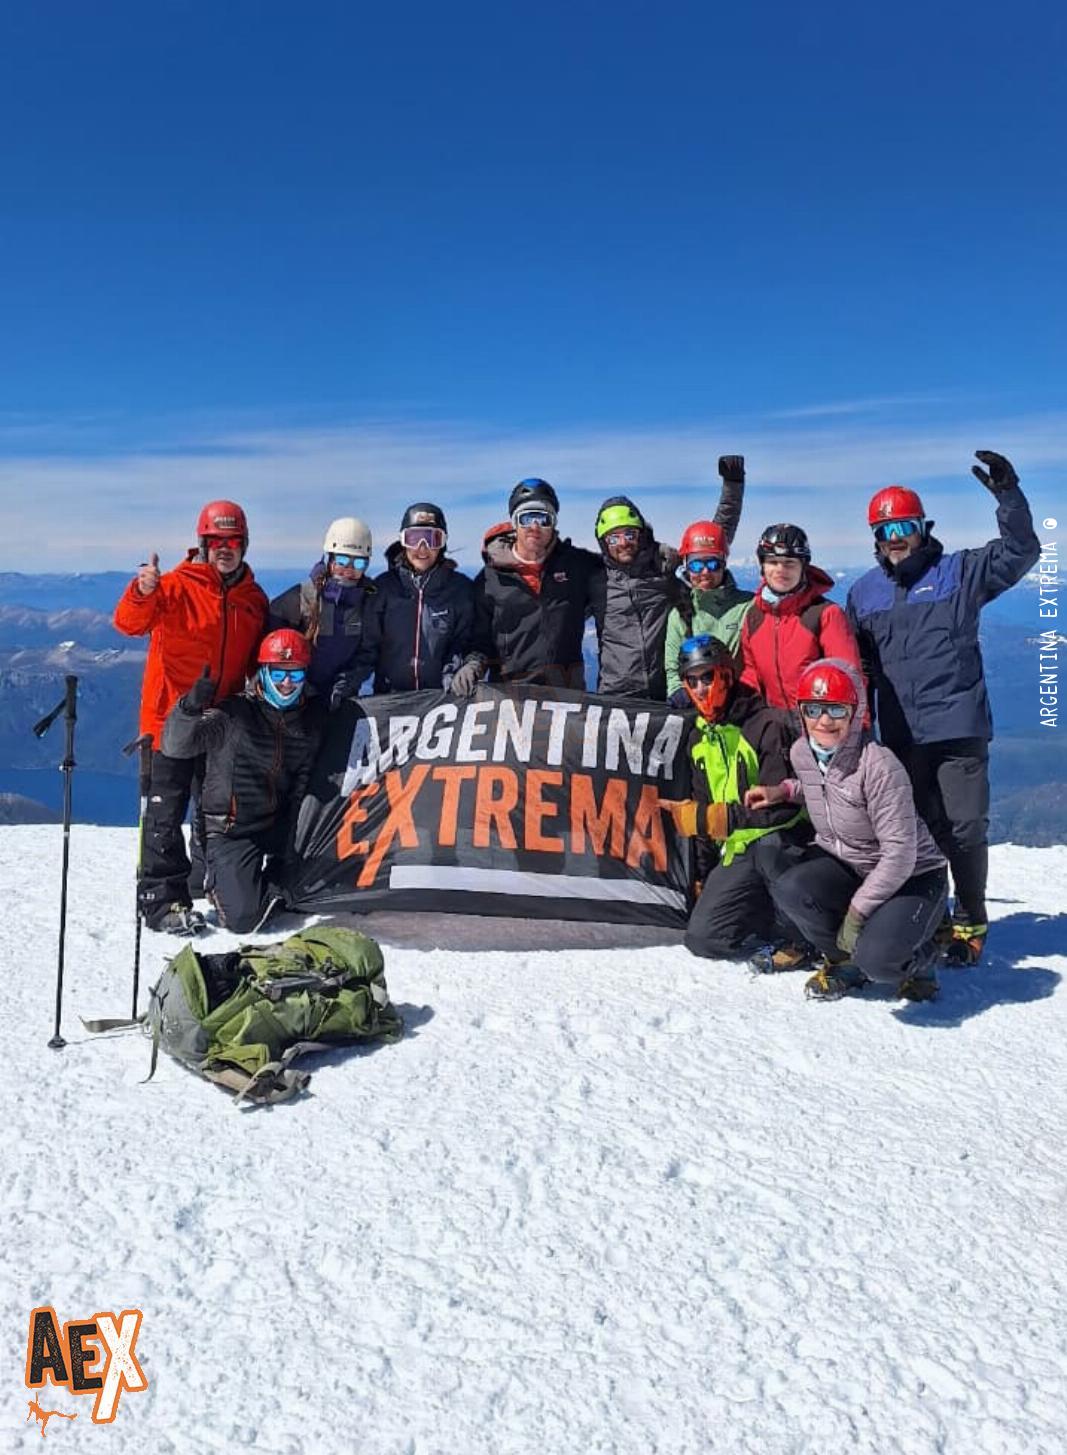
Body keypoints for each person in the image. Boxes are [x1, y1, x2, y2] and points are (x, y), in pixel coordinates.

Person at [846, 451, 1040, 965]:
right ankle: (931, 916)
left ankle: (971, 916)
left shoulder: (960, 572)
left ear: (924, 527)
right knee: (918, 830)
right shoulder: (864, 593)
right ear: (875, 535)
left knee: (965, 827)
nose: (896, 538)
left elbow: (1022, 550)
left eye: (905, 526)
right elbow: (858, 667)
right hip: (902, 735)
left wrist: (1008, 495)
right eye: (886, 529)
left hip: (958, 728)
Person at [746, 660, 948, 1001]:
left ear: (854, 714)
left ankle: (923, 957)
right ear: (802, 712)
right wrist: (783, 791)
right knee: (792, 889)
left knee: (879, 962)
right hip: (856, 866)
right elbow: (823, 787)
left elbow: (900, 855)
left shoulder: (879, 766)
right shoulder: (803, 753)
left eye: (836, 710)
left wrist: (857, 913)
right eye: (813, 709)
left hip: (914, 876)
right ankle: (847, 964)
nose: (824, 721)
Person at [113, 499, 268, 934]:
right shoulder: (177, 586)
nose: (225, 548)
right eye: (217, 540)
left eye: (234, 540)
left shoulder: (252, 598)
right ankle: (162, 902)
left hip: (219, 724)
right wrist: (141, 590)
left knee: (214, 807)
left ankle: (205, 884)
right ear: (202, 542)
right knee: (165, 811)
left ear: (245, 545)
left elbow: (255, 656)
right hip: (167, 720)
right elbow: (128, 623)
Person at [160, 629, 326, 934]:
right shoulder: (232, 714)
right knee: (243, 921)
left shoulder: (310, 718)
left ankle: (270, 879)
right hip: (231, 830)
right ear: (263, 671)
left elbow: (304, 780)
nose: (287, 683)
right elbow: (175, 746)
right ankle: (212, 867)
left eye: (295, 674)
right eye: (278, 673)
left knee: (324, 881)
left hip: (276, 825)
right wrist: (189, 708)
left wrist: (293, 841)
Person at [663, 634, 811, 962]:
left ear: (726, 675)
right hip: (739, 851)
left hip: (783, 843)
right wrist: (702, 874)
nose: (701, 688)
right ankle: (762, 911)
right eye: (693, 680)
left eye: (708, 676)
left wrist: (725, 819)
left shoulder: (766, 725)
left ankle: (801, 936)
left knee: (772, 849)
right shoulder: (700, 738)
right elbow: (703, 812)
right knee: (704, 940)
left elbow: (785, 809)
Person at [594, 454, 746, 699]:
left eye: (630, 534)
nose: (623, 543)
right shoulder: (595, 579)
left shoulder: (662, 568)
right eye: (614, 537)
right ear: (603, 543)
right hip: (616, 695)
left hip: (667, 690)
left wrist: (733, 487)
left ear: (641, 535)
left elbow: (711, 544)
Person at [461, 478, 603, 692]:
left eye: (543, 519)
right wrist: (474, 664)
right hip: (510, 699)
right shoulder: (490, 579)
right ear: (515, 523)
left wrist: (655, 555)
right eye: (527, 518)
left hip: (567, 698)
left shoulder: (578, 566)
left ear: (553, 524)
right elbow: (480, 638)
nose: (535, 527)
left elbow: (621, 567)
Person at [739, 523, 862, 708]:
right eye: (773, 562)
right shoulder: (755, 617)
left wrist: (855, 729)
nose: (780, 569)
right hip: (774, 725)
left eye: (790, 563)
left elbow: (849, 677)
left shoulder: (825, 614)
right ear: (762, 567)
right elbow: (751, 674)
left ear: (803, 567)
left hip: (820, 723)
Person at [270, 517, 381, 707]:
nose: (349, 569)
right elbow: (271, 653)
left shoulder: (367, 603)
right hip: (296, 701)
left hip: (339, 702)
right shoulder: (298, 600)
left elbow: (367, 654)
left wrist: (346, 684)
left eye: (359, 563)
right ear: (329, 558)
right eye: (342, 560)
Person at [372, 502, 476, 693]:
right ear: (402, 541)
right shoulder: (383, 588)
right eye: (414, 538)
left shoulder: (461, 590)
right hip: (391, 702)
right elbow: (367, 647)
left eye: (432, 539)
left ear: (443, 543)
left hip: (441, 702)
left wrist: (453, 675)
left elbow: (463, 642)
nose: (422, 548)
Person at [663, 520, 754, 701]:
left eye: (713, 564)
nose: (705, 572)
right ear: (687, 567)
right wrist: (677, 691)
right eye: (696, 565)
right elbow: (672, 667)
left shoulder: (748, 606)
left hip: (740, 702)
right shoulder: (680, 614)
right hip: (699, 702)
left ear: (724, 564)